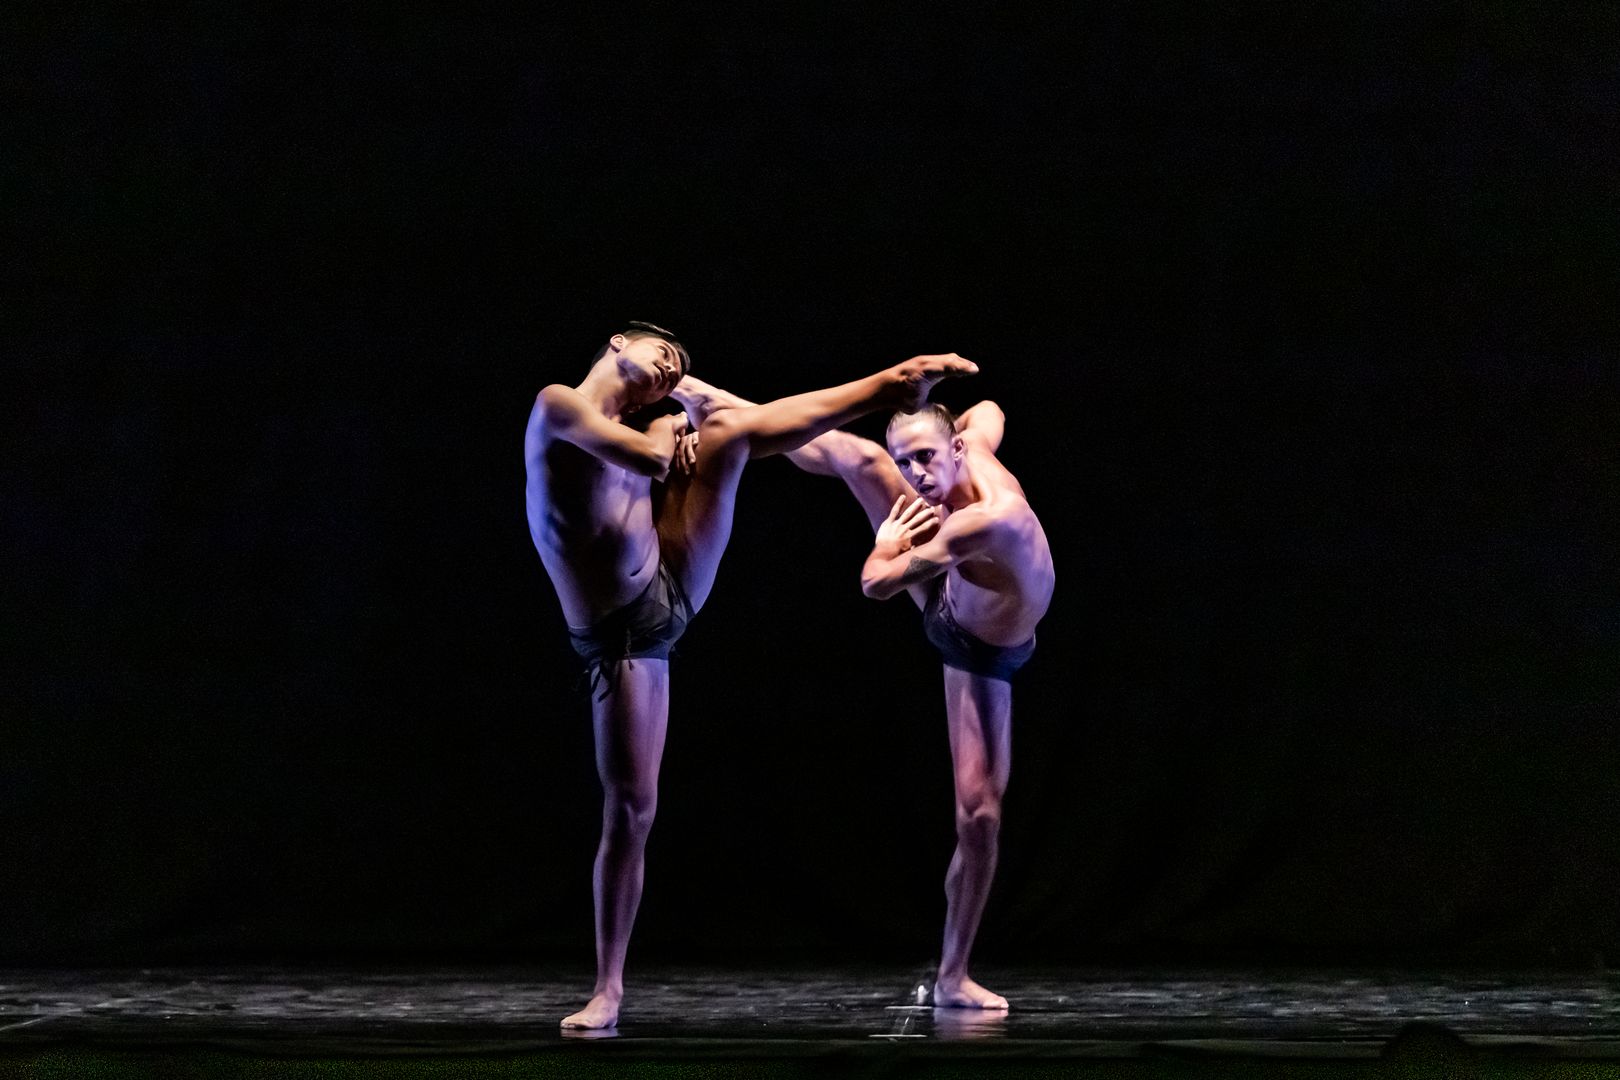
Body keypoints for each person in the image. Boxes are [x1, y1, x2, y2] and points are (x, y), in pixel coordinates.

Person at [525, 322, 976, 1028]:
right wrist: (671, 423)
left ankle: (887, 386)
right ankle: (608, 987)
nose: (668, 371)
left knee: (732, 431)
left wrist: (681, 420)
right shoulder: (559, 404)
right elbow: (650, 458)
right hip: (620, 636)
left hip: (672, 576)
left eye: (676, 368)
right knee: (632, 808)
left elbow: (672, 448)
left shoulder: (643, 423)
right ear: (616, 343)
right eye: (662, 356)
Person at [672, 376, 1052, 1010]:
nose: (915, 475)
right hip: (964, 638)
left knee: (981, 819)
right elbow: (877, 582)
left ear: (958, 448)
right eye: (907, 462)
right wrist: (891, 539)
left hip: (989, 638)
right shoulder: (968, 485)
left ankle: (953, 973)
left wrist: (893, 539)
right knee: (860, 458)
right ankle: (719, 408)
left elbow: (988, 410)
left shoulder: (982, 506)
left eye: (925, 457)